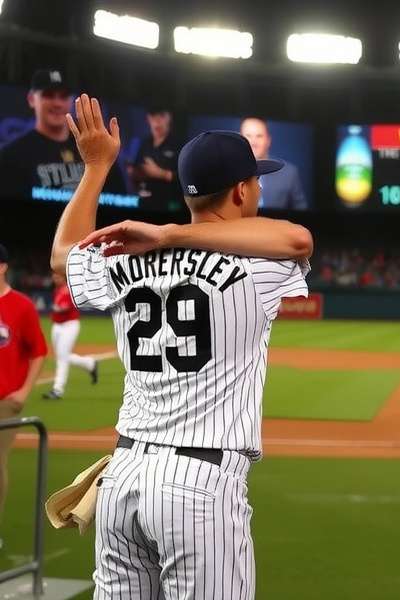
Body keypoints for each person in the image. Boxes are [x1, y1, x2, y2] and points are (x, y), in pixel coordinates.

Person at [50, 94, 313, 599]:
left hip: (122, 478)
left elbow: (63, 257)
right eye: (255, 180)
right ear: (241, 191)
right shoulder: (255, 267)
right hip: (199, 483)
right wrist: (173, 233)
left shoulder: (129, 259)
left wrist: (96, 167)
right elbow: (298, 240)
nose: (259, 188)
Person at [0, 69, 127, 200]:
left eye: (64, 96)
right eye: (48, 95)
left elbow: (123, 200)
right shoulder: (13, 153)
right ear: (32, 99)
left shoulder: (96, 148)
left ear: (72, 100)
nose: (57, 103)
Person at [0, 243, 48, 539]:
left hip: (5, 399)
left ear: (3, 266)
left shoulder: (21, 305)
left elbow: (39, 351)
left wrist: (24, 391)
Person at [41, 271, 98, 400]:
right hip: (57, 325)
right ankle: (90, 364)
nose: (55, 278)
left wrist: (57, 308)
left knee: (62, 358)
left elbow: (64, 307)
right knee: (62, 356)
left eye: (58, 276)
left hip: (69, 325)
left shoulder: (69, 289)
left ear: (64, 277)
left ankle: (57, 390)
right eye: (54, 276)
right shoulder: (58, 290)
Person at [240, 117, 307, 210]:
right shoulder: (228, 171)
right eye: (248, 136)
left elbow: (302, 212)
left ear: (268, 140)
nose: (253, 142)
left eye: (259, 136)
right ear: (240, 140)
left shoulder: (289, 173)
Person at [129, 107, 182, 212]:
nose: (157, 121)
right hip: (142, 205)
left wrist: (162, 174)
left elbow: (187, 179)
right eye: (153, 116)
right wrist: (133, 173)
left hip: (169, 208)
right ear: (148, 118)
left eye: (161, 116)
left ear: (169, 117)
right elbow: (135, 170)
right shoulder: (144, 143)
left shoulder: (179, 144)